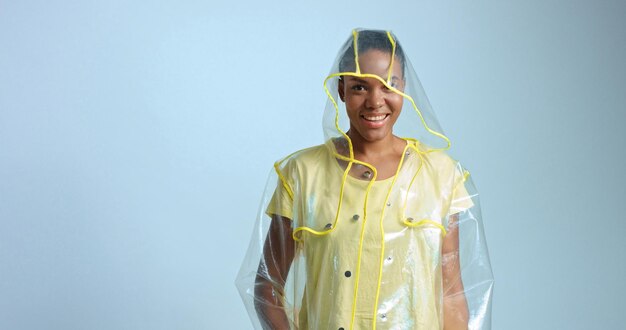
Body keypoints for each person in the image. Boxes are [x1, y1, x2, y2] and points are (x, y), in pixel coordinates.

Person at [236, 29, 493, 330]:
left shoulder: (439, 175)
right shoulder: (302, 173)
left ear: (404, 89)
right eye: (360, 87)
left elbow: (451, 294)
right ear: (342, 89)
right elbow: (267, 286)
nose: (375, 101)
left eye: (389, 86)